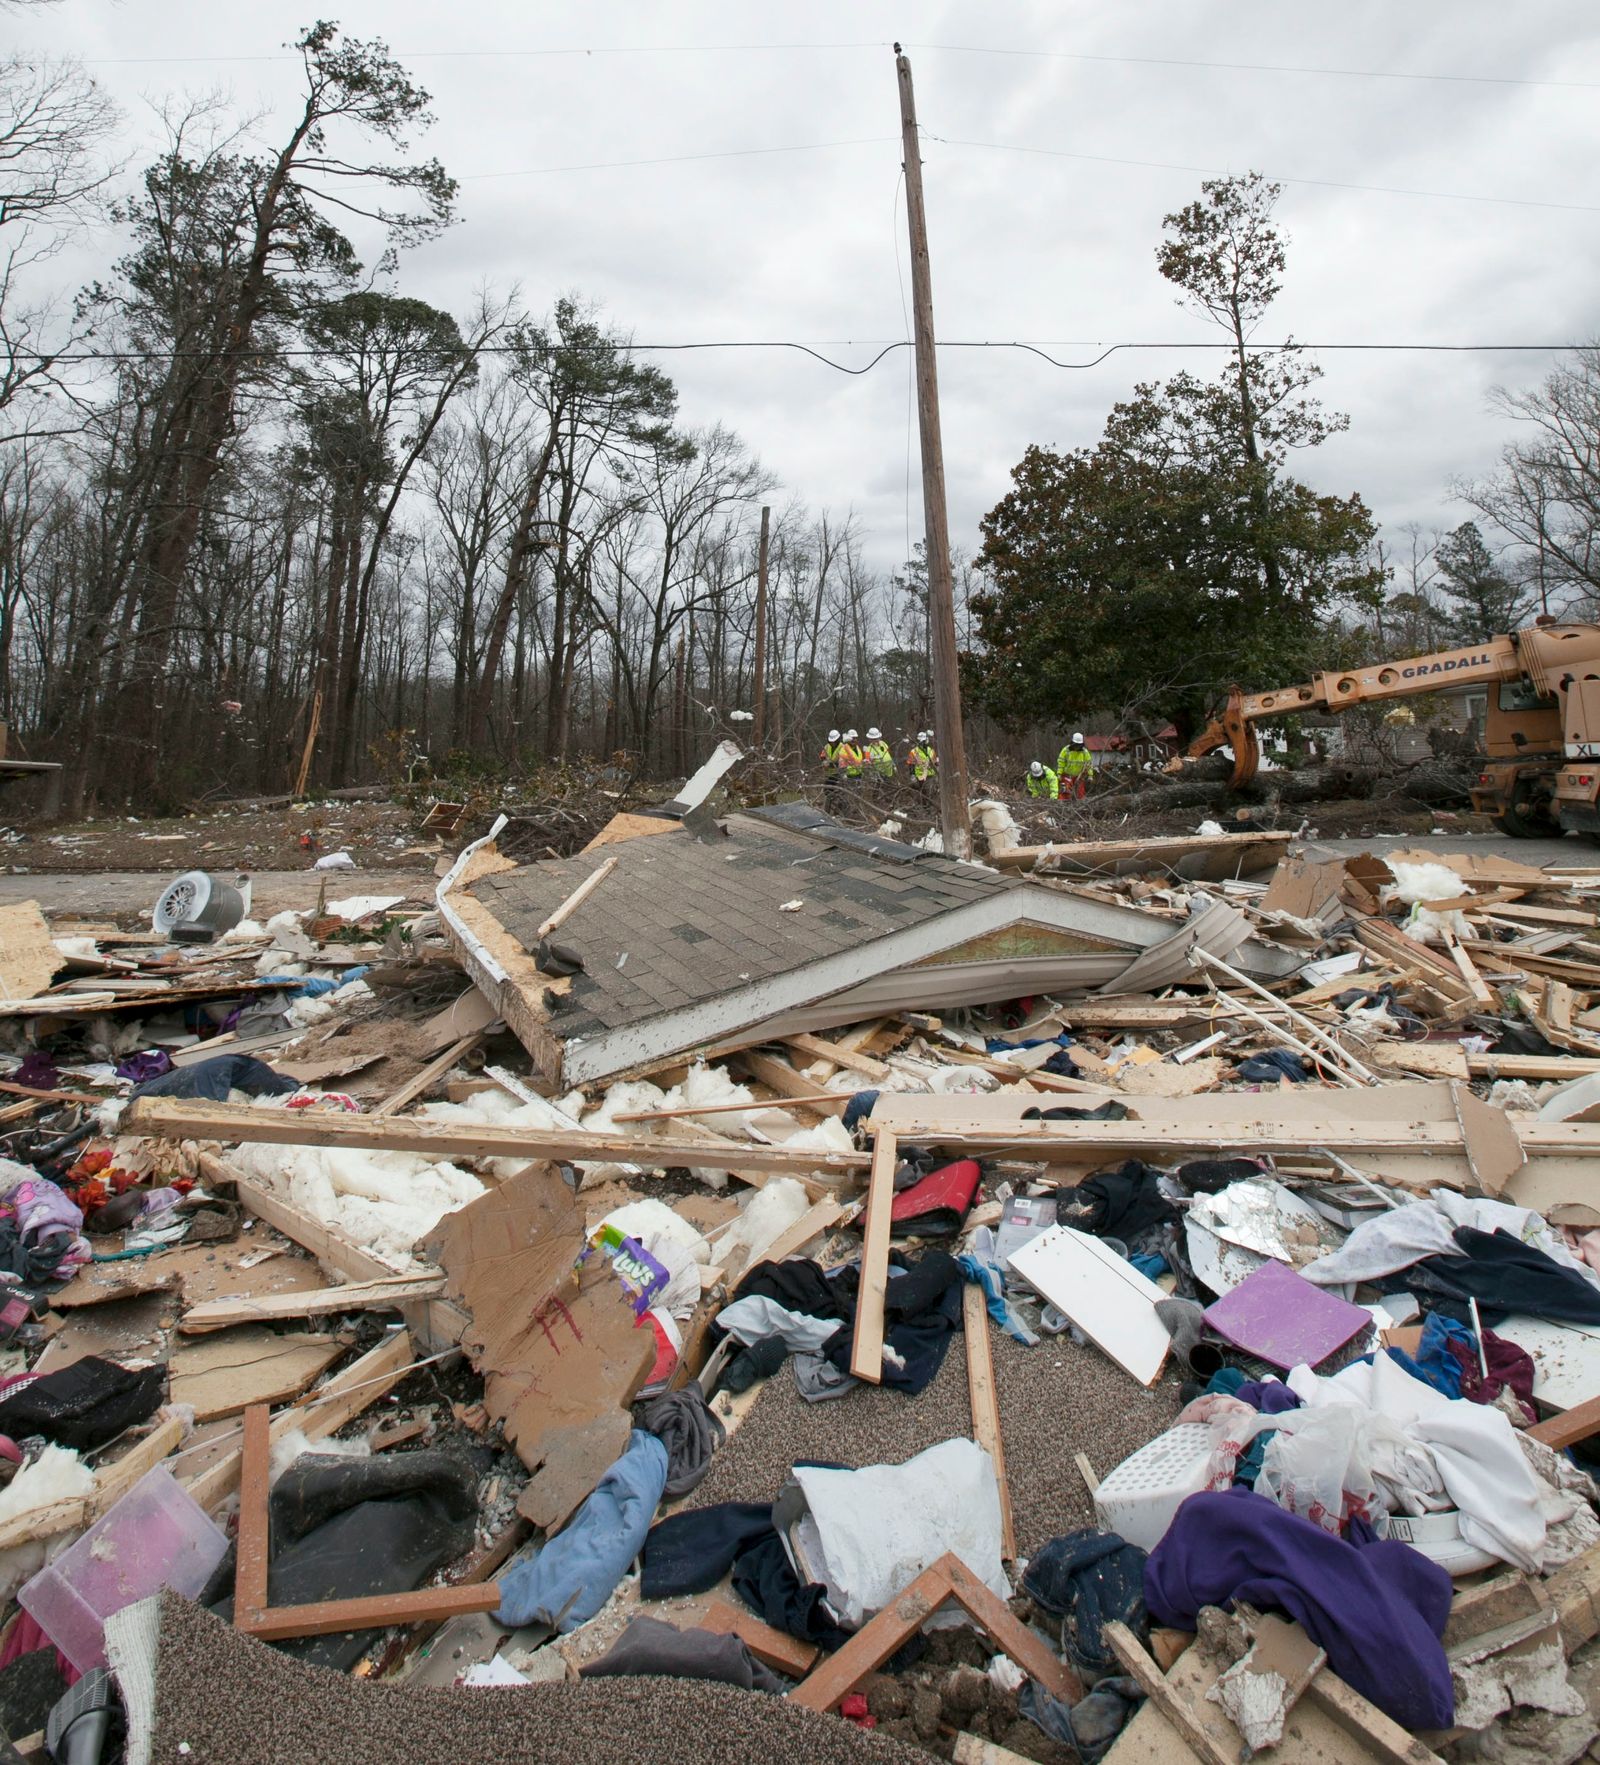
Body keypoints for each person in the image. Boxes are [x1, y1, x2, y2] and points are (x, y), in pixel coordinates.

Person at [1058, 732, 1096, 799]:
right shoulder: (1065, 750)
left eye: (1079, 745)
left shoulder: (1084, 752)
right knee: (1065, 791)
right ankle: (1063, 805)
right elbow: (1061, 763)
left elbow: (1089, 764)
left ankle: (1080, 806)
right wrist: (1059, 773)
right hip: (1067, 775)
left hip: (1079, 775)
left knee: (1080, 793)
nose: (1077, 747)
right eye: (1076, 744)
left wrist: (1090, 775)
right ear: (1072, 743)